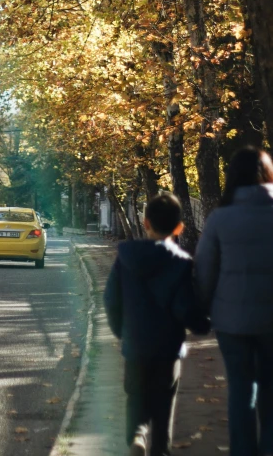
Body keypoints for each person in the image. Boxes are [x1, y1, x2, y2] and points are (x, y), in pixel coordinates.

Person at [104, 193, 209, 456]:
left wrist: (121, 331)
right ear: (179, 228)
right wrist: (201, 325)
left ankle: (137, 437)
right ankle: (159, 448)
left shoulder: (125, 258)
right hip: (167, 347)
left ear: (145, 222)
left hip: (135, 344)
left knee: (136, 397)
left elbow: (111, 298)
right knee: (164, 403)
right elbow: (185, 306)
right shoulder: (181, 264)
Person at [195, 146, 273, 456]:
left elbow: (204, 271)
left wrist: (201, 311)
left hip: (232, 322)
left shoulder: (219, 218)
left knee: (241, 391)